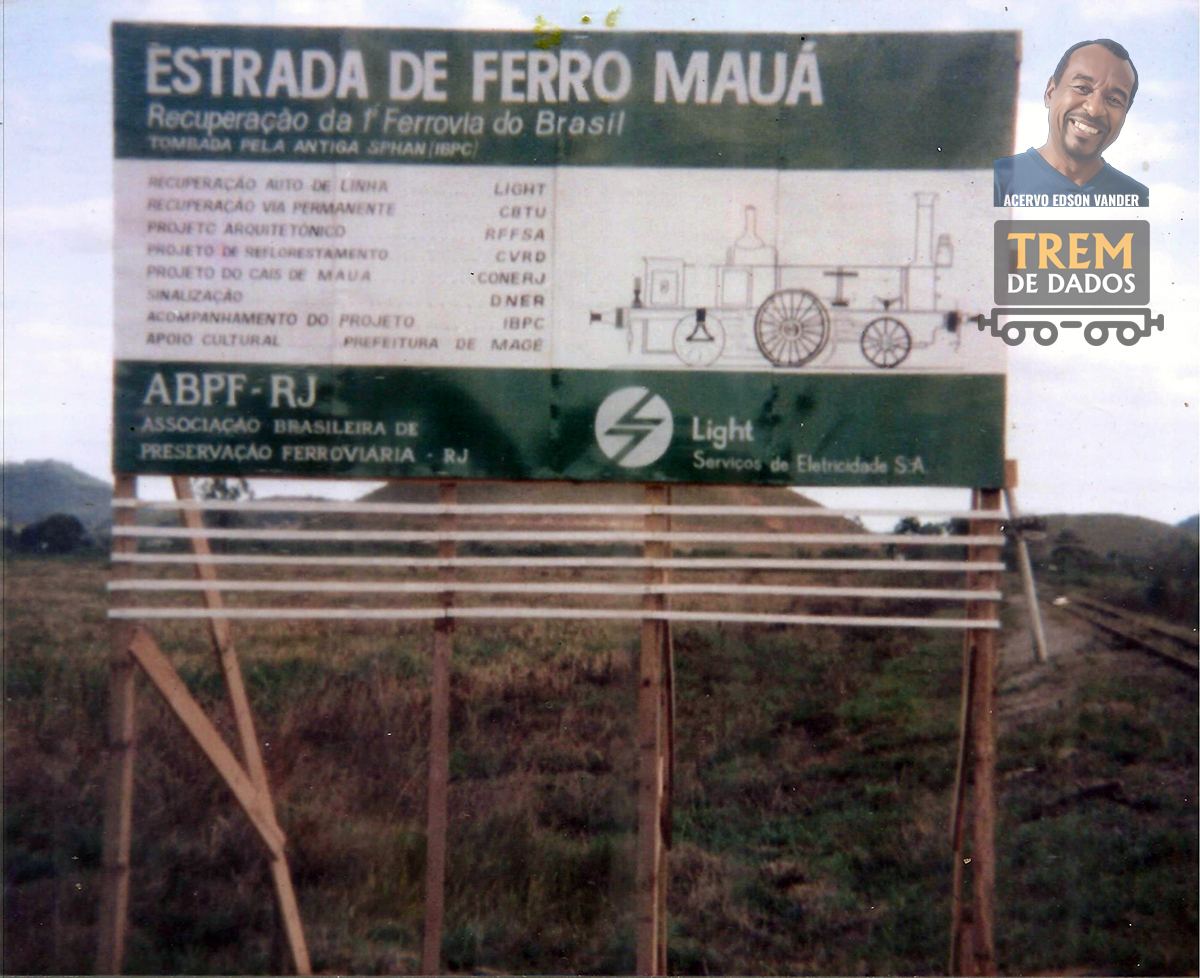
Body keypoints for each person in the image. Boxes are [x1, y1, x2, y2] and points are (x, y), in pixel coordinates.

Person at [994, 39, 1149, 206]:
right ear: (1050, 93)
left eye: (1113, 99)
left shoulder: (1136, 200)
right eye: (1082, 88)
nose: (1094, 109)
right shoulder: (996, 182)